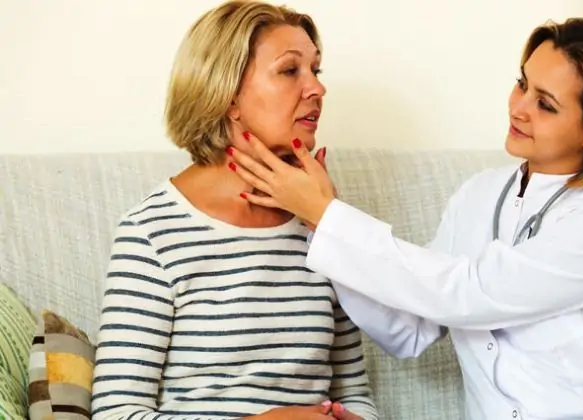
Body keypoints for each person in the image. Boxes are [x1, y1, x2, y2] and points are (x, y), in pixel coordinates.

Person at [226, 17, 583, 420]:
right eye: (522, 84)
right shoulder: (480, 194)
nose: (519, 108)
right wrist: (321, 222)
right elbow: (409, 330)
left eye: (545, 104)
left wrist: (329, 215)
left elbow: (469, 294)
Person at [91, 2, 377, 419]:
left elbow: (354, 393)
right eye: (290, 70)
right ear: (226, 95)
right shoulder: (152, 232)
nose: (317, 88)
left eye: (316, 70)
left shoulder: (323, 222)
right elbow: (116, 412)